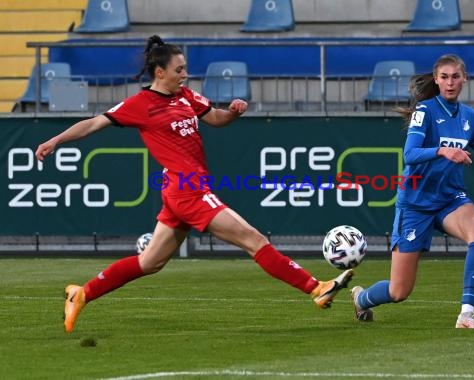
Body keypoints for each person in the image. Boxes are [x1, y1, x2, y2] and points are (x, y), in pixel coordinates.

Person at [35, 35, 353, 333]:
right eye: (179, 69)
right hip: (188, 190)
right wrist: (56, 140)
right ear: (160, 72)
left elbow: (214, 117)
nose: (185, 74)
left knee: (150, 262)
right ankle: (317, 288)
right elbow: (95, 122)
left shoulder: (185, 95)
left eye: (185, 68)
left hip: (183, 188)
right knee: (253, 239)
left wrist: (232, 113)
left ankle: (82, 294)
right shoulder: (141, 104)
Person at [350, 54, 474, 329]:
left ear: (465, 79)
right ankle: (362, 298)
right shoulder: (425, 112)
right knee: (399, 291)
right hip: (416, 202)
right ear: (436, 80)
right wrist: (443, 150)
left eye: (455, 77)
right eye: (444, 77)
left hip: (450, 198)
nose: (450, 82)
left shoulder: (471, 118)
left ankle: (467, 314)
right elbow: (410, 153)